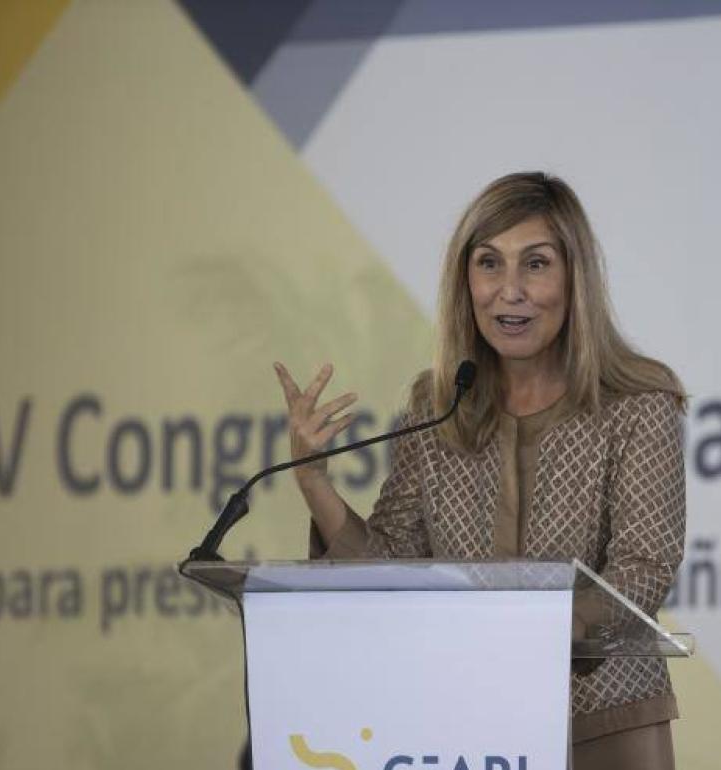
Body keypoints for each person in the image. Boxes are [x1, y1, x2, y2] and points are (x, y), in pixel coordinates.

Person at [273, 171, 687, 770]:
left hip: (601, 732)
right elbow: (392, 566)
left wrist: (535, 634)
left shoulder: (636, 403)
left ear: (576, 279)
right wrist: (315, 482)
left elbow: (644, 567)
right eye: (489, 264)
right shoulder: (437, 404)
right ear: (465, 281)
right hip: (465, 726)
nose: (509, 290)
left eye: (536, 264)